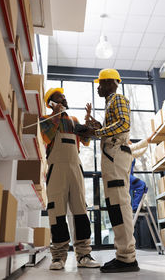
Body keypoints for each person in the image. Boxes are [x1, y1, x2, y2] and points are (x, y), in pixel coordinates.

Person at [76, 68, 139, 273]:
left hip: (116, 154)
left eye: (100, 84)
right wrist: (93, 124)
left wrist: (97, 131)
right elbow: (109, 127)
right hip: (111, 156)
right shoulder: (110, 103)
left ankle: (128, 258)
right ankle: (123, 255)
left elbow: (123, 123)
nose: (98, 88)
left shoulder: (118, 99)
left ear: (110, 83)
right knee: (114, 205)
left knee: (119, 204)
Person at [39, 88, 100, 270]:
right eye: (59, 98)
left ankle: (84, 255)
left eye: (64, 97)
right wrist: (56, 115)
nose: (64, 99)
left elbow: (87, 140)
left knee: (80, 210)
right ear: (51, 102)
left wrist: (90, 122)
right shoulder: (45, 119)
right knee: (57, 212)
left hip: (75, 168)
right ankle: (58, 257)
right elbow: (47, 137)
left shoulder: (73, 122)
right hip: (56, 169)